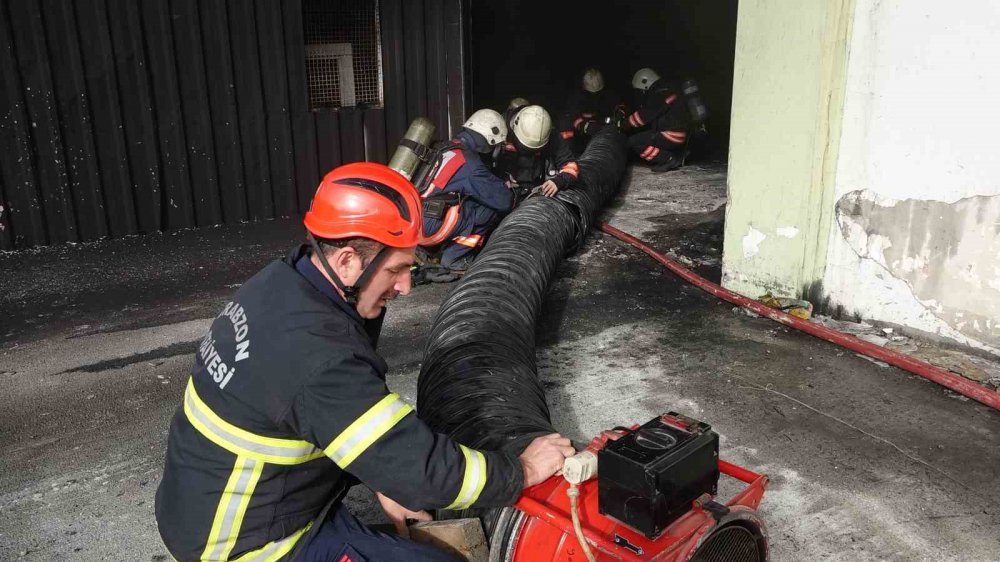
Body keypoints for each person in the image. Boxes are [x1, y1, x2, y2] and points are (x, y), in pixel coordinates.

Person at [155, 162, 575, 561]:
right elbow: (423, 470)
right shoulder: (318, 356)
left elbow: (333, 422)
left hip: (202, 506)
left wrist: (381, 476)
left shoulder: (282, 283)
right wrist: (521, 469)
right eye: (397, 269)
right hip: (245, 546)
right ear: (347, 261)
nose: (406, 286)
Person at [419, 109, 514, 277]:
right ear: (489, 141)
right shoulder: (470, 163)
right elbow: (503, 201)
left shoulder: (446, 148)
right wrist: (506, 186)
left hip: (412, 223)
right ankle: (454, 258)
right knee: (488, 209)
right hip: (429, 228)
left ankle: (428, 250)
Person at [623, 67, 708, 173]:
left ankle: (668, 159)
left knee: (634, 142)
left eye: (641, 89)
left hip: (671, 134)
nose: (642, 92)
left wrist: (627, 122)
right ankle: (679, 154)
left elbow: (648, 113)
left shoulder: (658, 91)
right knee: (648, 135)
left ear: (644, 82)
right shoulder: (671, 87)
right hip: (683, 132)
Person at [493, 105, 579, 199]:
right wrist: (502, 178)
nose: (528, 152)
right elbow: (481, 168)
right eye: (525, 147)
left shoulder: (551, 135)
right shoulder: (499, 129)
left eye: (534, 149)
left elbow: (571, 166)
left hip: (536, 185)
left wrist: (558, 181)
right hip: (506, 184)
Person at [556, 68, 625, 154]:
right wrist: (585, 126)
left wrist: (620, 114)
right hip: (581, 137)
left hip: (603, 131)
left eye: (597, 93)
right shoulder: (576, 98)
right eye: (591, 93)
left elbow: (619, 105)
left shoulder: (608, 95)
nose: (594, 95)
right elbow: (570, 116)